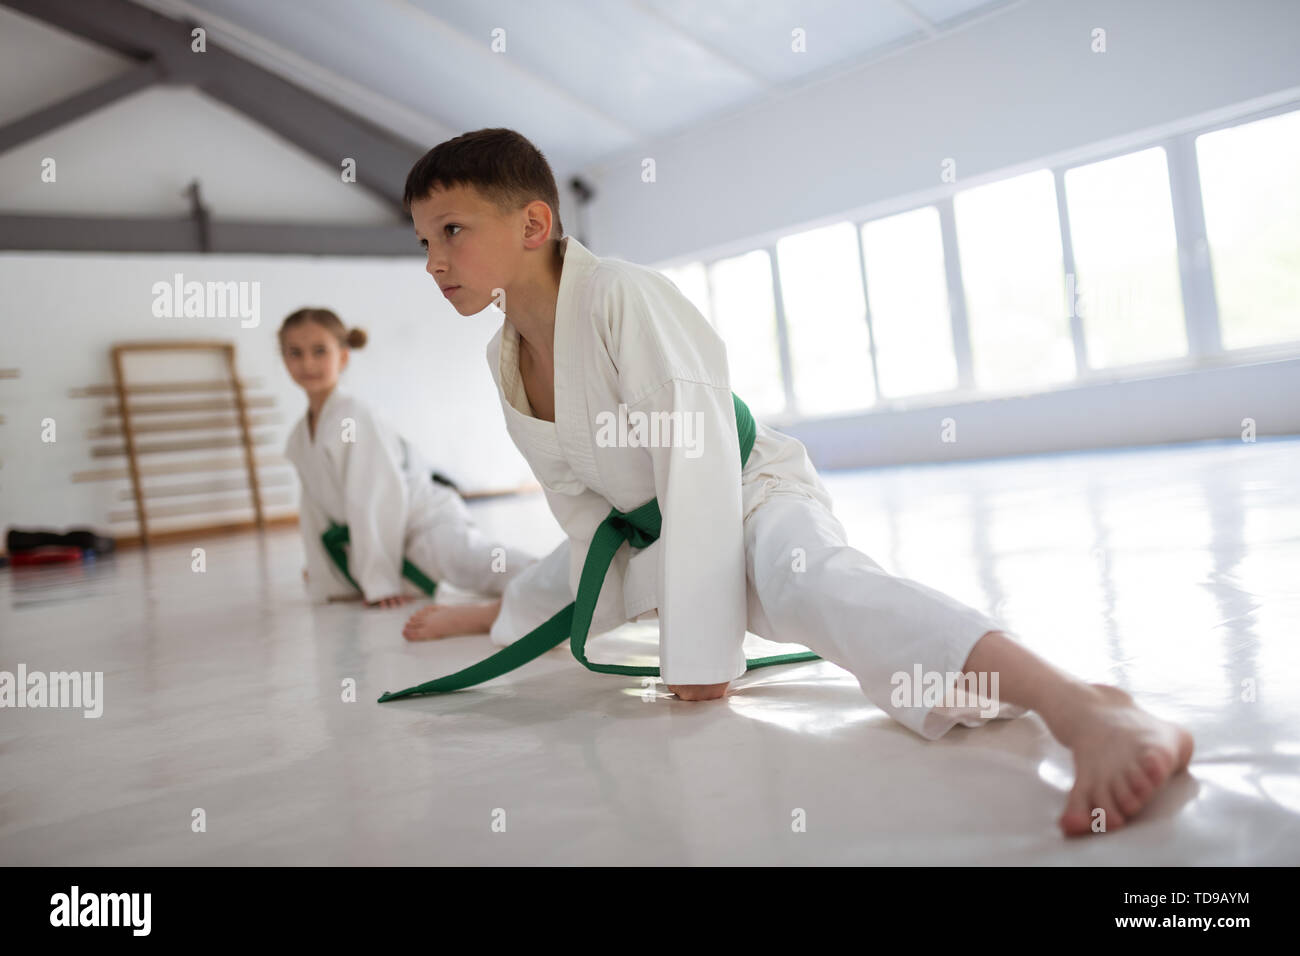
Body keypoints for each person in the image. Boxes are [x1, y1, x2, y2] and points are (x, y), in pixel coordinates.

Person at [401, 128, 1194, 837]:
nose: (435, 262)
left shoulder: (620, 297)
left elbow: (700, 459)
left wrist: (702, 647)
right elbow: (582, 510)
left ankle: (1083, 707)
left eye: (452, 231)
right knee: (571, 573)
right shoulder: (503, 356)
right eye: (425, 241)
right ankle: (494, 608)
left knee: (814, 588)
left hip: (747, 493)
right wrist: (621, 581)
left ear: (533, 223)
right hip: (651, 524)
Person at [279, 306, 534, 620]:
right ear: (284, 359)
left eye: (319, 351)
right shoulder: (299, 437)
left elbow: (373, 499)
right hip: (396, 542)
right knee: (471, 584)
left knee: (480, 565)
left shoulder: (354, 416)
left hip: (426, 523)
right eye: (295, 353)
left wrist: (379, 582)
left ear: (343, 356)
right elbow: (314, 512)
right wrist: (325, 575)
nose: (307, 363)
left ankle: (567, 581)